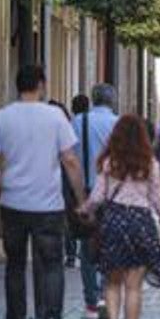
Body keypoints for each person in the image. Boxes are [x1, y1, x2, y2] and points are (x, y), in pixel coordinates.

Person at [0, 64, 86, 319]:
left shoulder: (3, 117)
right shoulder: (55, 117)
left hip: (13, 202)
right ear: (41, 85)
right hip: (48, 205)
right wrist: (80, 199)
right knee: (52, 263)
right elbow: (70, 160)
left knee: (15, 266)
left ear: (18, 85)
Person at [80, 115, 160, 319]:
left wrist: (85, 209)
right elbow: (157, 198)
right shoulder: (149, 163)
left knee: (112, 282)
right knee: (134, 287)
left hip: (113, 222)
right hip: (140, 224)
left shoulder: (109, 163)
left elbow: (98, 196)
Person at [71, 84, 120, 319]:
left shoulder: (78, 122)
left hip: (87, 191)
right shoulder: (118, 124)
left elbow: (69, 156)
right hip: (112, 192)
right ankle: (104, 295)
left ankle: (91, 301)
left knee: (87, 246)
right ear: (112, 101)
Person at [63, 97, 85, 269]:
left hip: (71, 177)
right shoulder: (89, 123)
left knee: (70, 216)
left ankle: (71, 254)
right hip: (90, 178)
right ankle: (85, 251)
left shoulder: (71, 125)